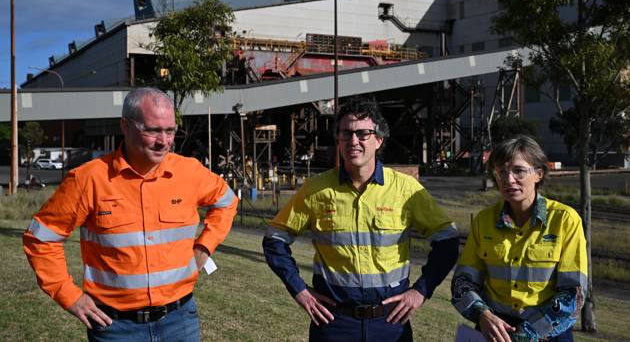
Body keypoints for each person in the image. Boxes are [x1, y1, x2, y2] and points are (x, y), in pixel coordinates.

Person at [23, 87, 238, 341]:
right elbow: (41, 239)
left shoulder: (190, 172)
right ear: (125, 126)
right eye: (153, 130)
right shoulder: (88, 180)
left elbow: (227, 201)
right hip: (116, 328)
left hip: (180, 320)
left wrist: (204, 247)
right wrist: (68, 295)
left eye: (170, 131)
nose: (164, 141)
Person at [263, 99, 459, 341]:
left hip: (390, 324)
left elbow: (448, 240)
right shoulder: (316, 189)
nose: (353, 141)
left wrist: (420, 291)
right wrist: (299, 290)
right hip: (334, 323)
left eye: (363, 133)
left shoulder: (405, 189)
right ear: (338, 140)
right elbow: (274, 239)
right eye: (346, 133)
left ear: (379, 140)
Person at [451, 135, 587, 342]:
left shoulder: (565, 221)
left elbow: (573, 294)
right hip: (493, 330)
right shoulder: (483, 221)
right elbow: (463, 282)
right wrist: (483, 315)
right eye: (501, 172)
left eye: (519, 171)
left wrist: (526, 334)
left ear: (539, 174)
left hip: (546, 332)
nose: (509, 179)